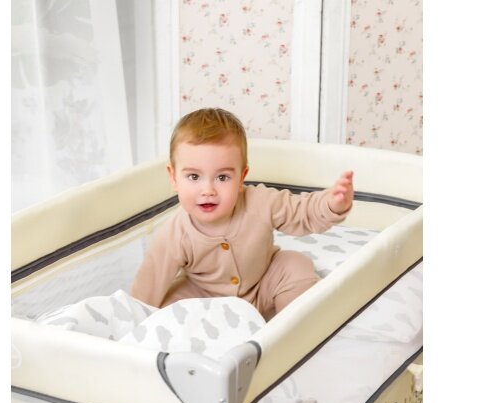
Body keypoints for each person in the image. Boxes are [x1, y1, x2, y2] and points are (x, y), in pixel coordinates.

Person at [130, 108, 354, 320]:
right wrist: (135, 321)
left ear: (241, 177)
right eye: (194, 177)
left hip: (262, 286)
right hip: (206, 299)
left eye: (222, 177)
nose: (208, 190)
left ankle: (291, 327)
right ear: (173, 178)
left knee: (295, 265)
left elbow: (300, 212)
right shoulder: (175, 233)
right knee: (169, 305)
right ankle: (212, 335)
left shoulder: (259, 202)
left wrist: (331, 203)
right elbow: (150, 281)